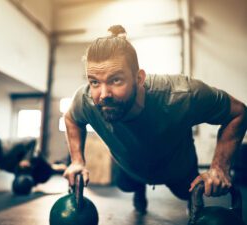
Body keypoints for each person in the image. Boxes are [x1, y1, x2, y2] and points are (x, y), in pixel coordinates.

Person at [63, 25, 247, 214]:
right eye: (94, 82)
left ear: (139, 78)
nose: (103, 94)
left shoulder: (183, 95)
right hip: (130, 169)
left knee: (188, 194)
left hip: (178, 169)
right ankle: (139, 190)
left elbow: (238, 112)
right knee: (125, 185)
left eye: (116, 80)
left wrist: (220, 167)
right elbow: (71, 118)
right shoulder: (85, 100)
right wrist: (77, 161)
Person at [0, 128, 66, 185]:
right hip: (18, 171)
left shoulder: (9, 148)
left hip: (37, 166)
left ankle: (60, 168)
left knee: (49, 172)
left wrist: (26, 160)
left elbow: (32, 140)